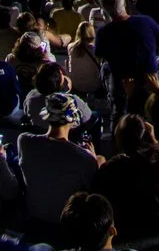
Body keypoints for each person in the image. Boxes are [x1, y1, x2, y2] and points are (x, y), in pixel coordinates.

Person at [19, 91, 103, 229]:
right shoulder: (82, 156)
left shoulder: (24, 141)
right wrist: (94, 159)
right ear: (73, 119)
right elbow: (93, 187)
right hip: (65, 220)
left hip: (33, 213)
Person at [90, 113, 159, 238]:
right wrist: (154, 141)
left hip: (134, 223)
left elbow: (100, 181)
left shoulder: (115, 166)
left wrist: (95, 160)